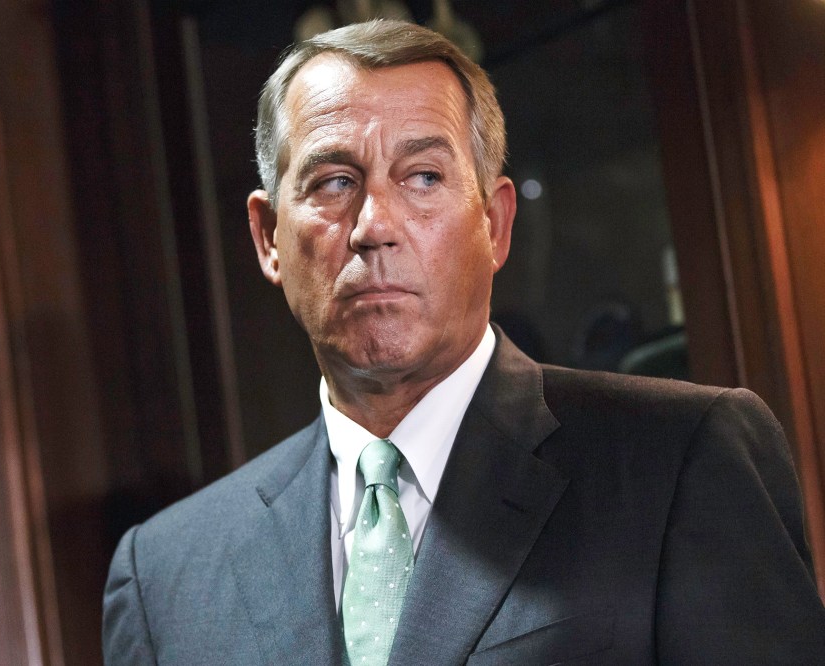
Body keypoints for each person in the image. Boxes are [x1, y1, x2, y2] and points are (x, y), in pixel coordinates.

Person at [103, 19, 825, 664]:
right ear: (268, 237)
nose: (373, 226)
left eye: (423, 177)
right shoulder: (165, 577)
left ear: (496, 224)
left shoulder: (679, 462)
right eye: (333, 182)